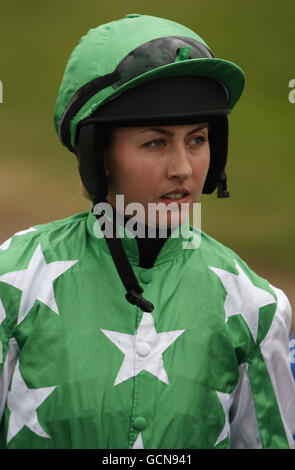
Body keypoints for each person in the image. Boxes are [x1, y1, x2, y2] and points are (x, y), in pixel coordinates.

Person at [0, 13, 294, 449]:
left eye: (197, 140)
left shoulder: (257, 306)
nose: (183, 168)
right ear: (98, 155)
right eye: (156, 143)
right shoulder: (13, 281)